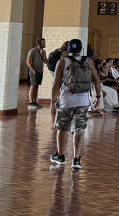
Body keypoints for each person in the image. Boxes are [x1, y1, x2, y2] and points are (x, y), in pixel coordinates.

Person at [49, 38, 100, 169]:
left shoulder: (62, 62)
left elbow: (56, 83)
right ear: (81, 49)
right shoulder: (88, 61)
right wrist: (98, 96)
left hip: (66, 101)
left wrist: (53, 102)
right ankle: (76, 159)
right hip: (83, 101)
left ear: (68, 50)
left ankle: (60, 156)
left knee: (62, 128)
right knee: (79, 130)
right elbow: (96, 80)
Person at [26, 36, 47, 110]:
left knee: (37, 86)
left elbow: (45, 61)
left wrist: (43, 55)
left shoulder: (43, 51)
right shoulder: (33, 51)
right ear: (39, 43)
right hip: (34, 71)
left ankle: (35, 101)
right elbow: (28, 61)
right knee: (33, 86)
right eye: (43, 42)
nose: (45, 44)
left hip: (40, 71)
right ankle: (31, 102)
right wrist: (33, 69)